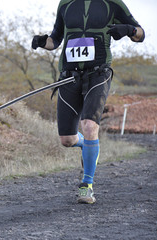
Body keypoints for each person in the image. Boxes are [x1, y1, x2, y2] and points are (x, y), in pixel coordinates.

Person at [31, 0, 145, 204]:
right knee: (67, 140)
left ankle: (87, 186)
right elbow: (55, 40)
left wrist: (128, 29)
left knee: (90, 125)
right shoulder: (65, 4)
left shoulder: (112, 3)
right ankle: (87, 145)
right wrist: (41, 42)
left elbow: (140, 34)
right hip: (69, 76)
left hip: (98, 73)